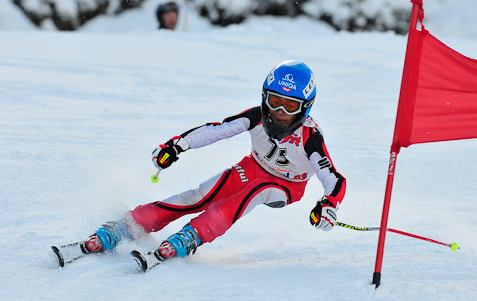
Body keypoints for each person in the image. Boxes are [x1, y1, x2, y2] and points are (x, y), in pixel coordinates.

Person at [82, 60, 346, 265]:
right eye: (275, 101)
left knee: (257, 191)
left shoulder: (311, 138)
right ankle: (133, 223)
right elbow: (216, 130)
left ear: (305, 108)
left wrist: (328, 205)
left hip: (288, 186)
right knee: (200, 195)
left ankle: (194, 234)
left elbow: (333, 179)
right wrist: (177, 146)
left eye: (290, 106)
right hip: (253, 167)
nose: (279, 112)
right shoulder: (256, 116)